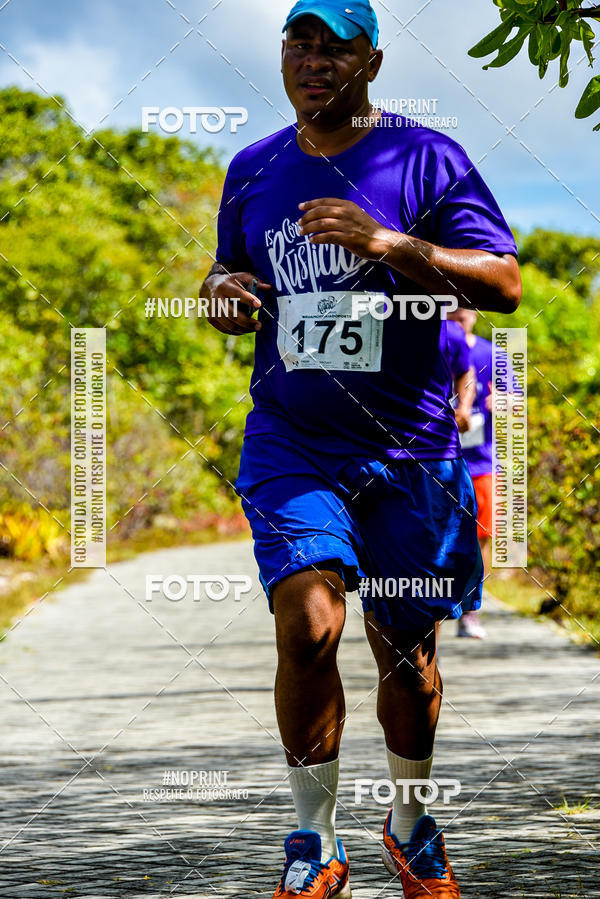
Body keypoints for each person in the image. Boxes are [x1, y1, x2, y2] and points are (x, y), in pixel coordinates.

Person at [200, 1, 521, 895]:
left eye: (334, 46)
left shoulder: (428, 157)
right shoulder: (253, 167)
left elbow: (502, 282)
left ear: (370, 62)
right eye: (298, 43)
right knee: (309, 623)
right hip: (294, 439)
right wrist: (221, 289)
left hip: (412, 450)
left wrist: (390, 240)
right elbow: (227, 273)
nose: (313, 60)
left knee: (408, 652)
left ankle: (411, 820)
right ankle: (313, 836)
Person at [449, 308, 495, 640]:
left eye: (466, 305)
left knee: (480, 536)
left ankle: (471, 611)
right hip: (436, 456)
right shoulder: (435, 342)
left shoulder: (493, 353)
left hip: (480, 461)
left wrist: (501, 402)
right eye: (454, 304)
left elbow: (515, 401)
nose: (460, 311)